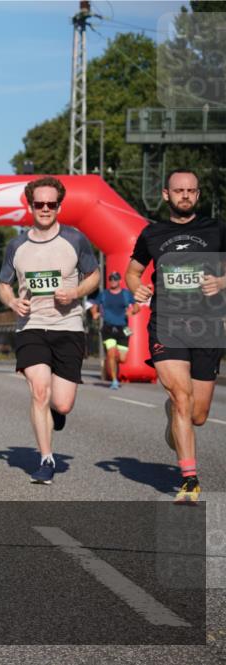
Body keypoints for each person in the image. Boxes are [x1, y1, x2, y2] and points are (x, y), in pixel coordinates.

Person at [125, 168, 225, 504]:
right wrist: (137, 288)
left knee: (197, 415)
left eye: (191, 190)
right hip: (167, 325)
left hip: (208, 327)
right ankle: (189, 480)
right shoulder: (152, 234)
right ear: (166, 194)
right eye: (179, 190)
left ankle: (174, 412)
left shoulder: (216, 230)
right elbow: (133, 272)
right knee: (183, 398)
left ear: (198, 194)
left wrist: (221, 282)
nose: (185, 195)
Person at [0, 176, 100, 485]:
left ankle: (57, 412)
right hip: (31, 326)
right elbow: (3, 284)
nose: (45, 209)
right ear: (30, 206)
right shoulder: (16, 245)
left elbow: (94, 275)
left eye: (50, 204)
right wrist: (12, 301)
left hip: (68, 326)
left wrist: (76, 292)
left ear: (59, 207)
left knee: (62, 403)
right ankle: (45, 458)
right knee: (39, 390)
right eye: (39, 204)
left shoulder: (75, 239)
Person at [90, 271, 139, 390]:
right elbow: (94, 306)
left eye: (115, 279)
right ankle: (114, 380)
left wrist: (131, 311)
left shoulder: (126, 294)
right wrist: (94, 313)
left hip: (123, 329)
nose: (113, 281)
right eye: (111, 279)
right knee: (111, 353)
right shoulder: (104, 294)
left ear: (120, 281)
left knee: (122, 359)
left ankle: (111, 362)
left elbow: (137, 307)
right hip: (108, 328)